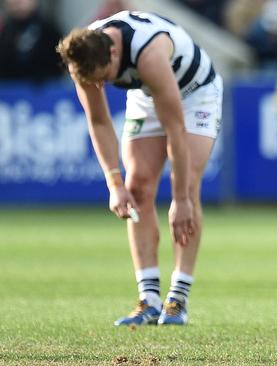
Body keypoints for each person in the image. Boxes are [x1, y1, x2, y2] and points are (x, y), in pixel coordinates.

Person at [56, 10, 223, 326]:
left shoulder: (149, 53)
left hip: (195, 94)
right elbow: (99, 121)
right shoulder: (85, 59)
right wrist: (113, 183)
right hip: (146, 97)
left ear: (114, 52)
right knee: (136, 188)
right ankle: (148, 299)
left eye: (105, 78)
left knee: (187, 188)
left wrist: (181, 201)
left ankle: (177, 299)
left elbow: (175, 130)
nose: (102, 85)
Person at [0, 0, 62, 82]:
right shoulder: (4, 31)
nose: (17, 2)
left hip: (43, 91)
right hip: (8, 90)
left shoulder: (49, 30)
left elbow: (59, 66)